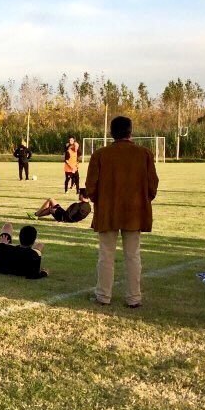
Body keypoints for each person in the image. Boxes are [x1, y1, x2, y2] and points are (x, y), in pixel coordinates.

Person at [85, 117, 158, 308]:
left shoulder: (101, 154)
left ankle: (103, 295)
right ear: (130, 132)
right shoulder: (144, 154)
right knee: (133, 255)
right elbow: (152, 186)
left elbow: (90, 187)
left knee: (106, 255)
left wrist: (100, 201)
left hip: (108, 211)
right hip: (134, 213)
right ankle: (134, 297)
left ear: (111, 133)